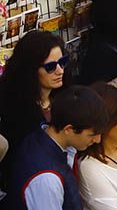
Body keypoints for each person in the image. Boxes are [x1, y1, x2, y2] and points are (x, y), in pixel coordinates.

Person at [0, 32, 70, 166]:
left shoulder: (65, 96)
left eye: (63, 62)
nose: (60, 70)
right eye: (50, 67)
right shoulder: (15, 111)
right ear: (30, 69)